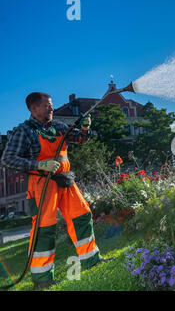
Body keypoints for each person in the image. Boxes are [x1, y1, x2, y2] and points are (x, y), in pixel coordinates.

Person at [1, 92, 107, 290]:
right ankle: (43, 280)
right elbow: (7, 159)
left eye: (51, 105)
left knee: (82, 216)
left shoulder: (57, 126)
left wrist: (84, 128)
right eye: (47, 105)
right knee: (44, 229)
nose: (51, 108)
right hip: (41, 184)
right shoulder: (23, 131)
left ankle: (92, 260)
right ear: (33, 108)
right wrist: (39, 164)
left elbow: (79, 139)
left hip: (65, 181)